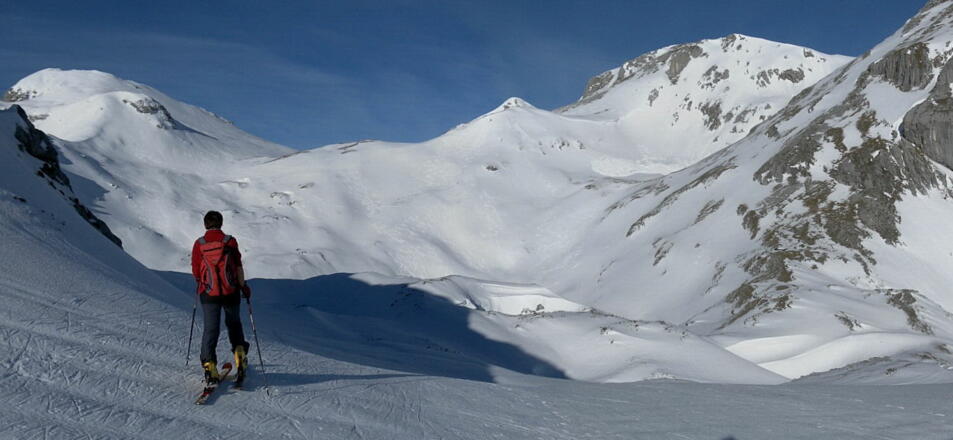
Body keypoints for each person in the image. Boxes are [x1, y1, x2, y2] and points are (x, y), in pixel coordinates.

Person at [192, 210, 251, 384]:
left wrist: (203, 284)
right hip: (230, 291)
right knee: (234, 324)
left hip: (208, 293)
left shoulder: (199, 244)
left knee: (211, 329)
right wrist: (243, 287)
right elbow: (238, 266)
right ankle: (240, 356)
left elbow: (196, 271)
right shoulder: (230, 241)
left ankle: (209, 366)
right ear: (221, 223)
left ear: (205, 224)